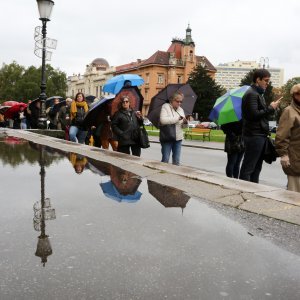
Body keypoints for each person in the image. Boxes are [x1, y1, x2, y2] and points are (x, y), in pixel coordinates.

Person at [239, 69, 281, 183]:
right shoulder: (251, 94)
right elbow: (253, 115)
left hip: (259, 135)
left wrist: (271, 109)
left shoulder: (258, 93)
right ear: (258, 79)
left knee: (256, 168)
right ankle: (243, 190)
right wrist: (270, 108)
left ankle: (253, 191)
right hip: (254, 135)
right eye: (266, 80)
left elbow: (261, 115)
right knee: (249, 167)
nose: (267, 83)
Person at [275, 83, 300, 192]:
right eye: (298, 94)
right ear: (293, 95)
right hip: (295, 158)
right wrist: (283, 154)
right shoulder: (289, 111)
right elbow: (281, 135)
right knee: (294, 193)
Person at [159, 91, 187, 165]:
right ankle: (162, 174)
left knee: (176, 161)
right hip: (167, 137)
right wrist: (177, 118)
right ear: (172, 100)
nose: (179, 103)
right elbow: (163, 120)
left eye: (181, 101)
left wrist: (185, 122)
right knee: (165, 160)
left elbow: (183, 127)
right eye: (177, 101)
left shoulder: (181, 110)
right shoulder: (165, 106)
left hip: (178, 138)